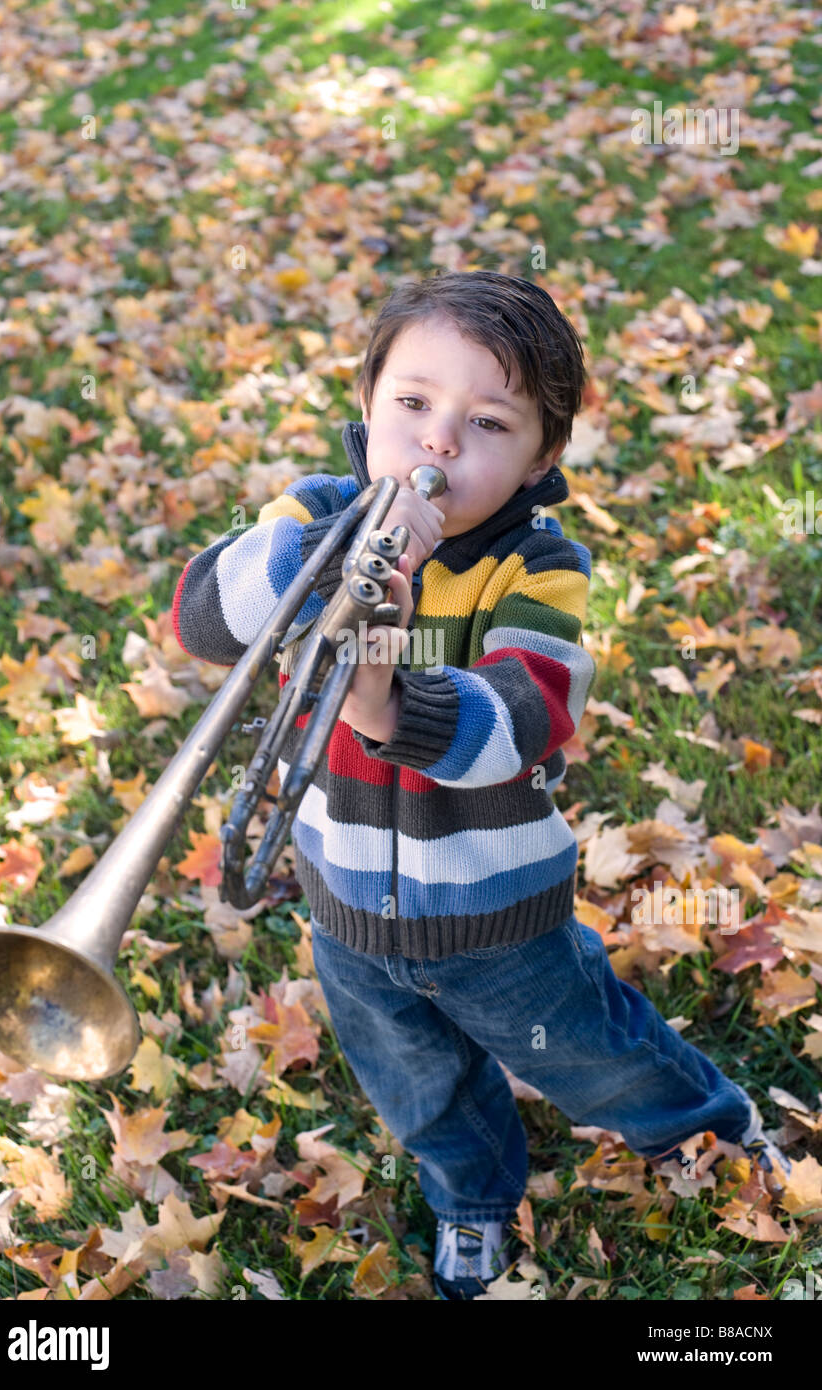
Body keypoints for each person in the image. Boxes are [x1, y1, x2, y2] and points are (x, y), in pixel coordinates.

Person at [173, 271, 792, 1300]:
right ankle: (472, 1192)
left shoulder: (539, 568)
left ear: (543, 456)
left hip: (499, 917)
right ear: (367, 402)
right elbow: (202, 616)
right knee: (419, 1086)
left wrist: (387, 697)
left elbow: (525, 718)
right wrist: (316, 557)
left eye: (488, 421)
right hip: (348, 914)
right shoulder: (312, 516)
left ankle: (712, 1130)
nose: (438, 443)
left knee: (594, 1052)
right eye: (412, 404)